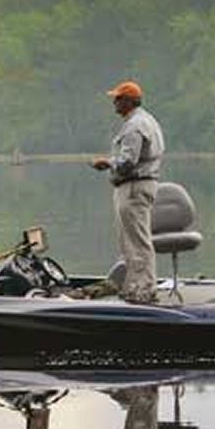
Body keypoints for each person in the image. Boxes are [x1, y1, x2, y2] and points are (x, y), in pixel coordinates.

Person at [89, 80, 164, 304]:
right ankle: (136, 286)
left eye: (119, 98)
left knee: (136, 242)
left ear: (131, 101)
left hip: (133, 187)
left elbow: (128, 161)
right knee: (133, 241)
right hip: (141, 186)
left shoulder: (135, 125)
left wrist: (106, 163)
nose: (114, 102)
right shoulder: (148, 120)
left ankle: (143, 290)